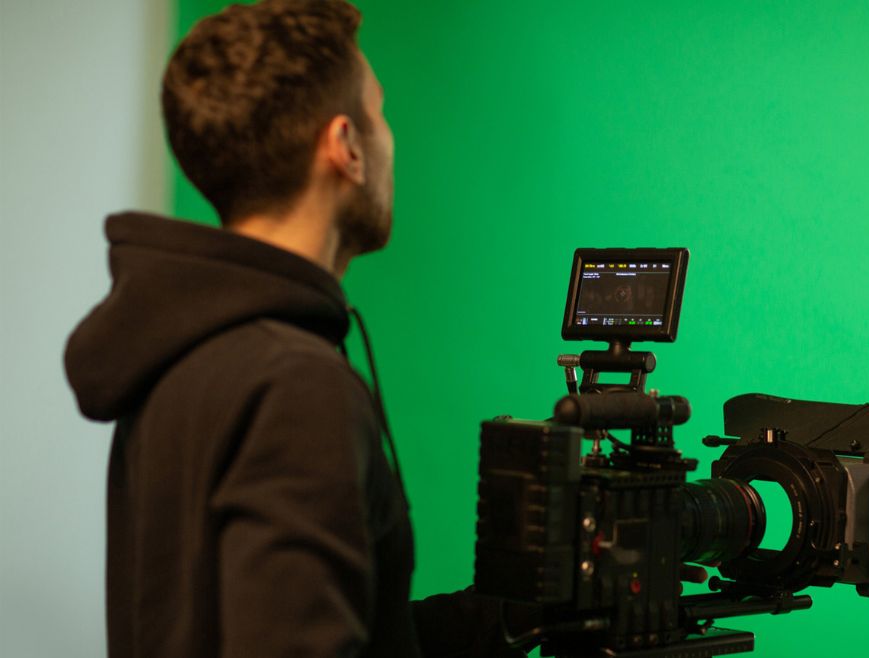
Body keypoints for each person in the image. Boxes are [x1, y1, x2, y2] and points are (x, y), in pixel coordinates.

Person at [64, 1, 526, 656]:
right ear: (345, 147)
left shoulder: (181, 351)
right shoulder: (296, 386)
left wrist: (498, 621)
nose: (391, 139)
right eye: (380, 112)